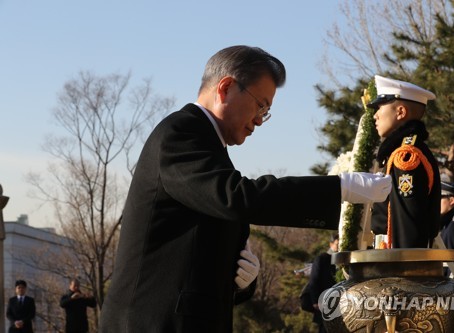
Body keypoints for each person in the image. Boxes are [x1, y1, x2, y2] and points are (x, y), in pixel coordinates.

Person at [99, 45, 391, 333]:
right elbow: (237, 197)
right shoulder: (180, 134)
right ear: (225, 88)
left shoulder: (210, 148)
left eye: (267, 111)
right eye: (260, 105)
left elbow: (194, 250)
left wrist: (240, 282)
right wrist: (341, 188)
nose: (260, 120)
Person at [368, 75, 441, 249]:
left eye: (380, 108)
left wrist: (402, 271)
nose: (375, 116)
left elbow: (407, 224)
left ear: (400, 112)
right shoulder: (403, 150)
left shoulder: (406, 156)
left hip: (398, 261)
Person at [309, 234, 339, 333]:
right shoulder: (322, 259)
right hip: (324, 301)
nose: (339, 247)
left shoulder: (343, 259)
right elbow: (314, 280)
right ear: (331, 244)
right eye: (337, 244)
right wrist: (315, 300)